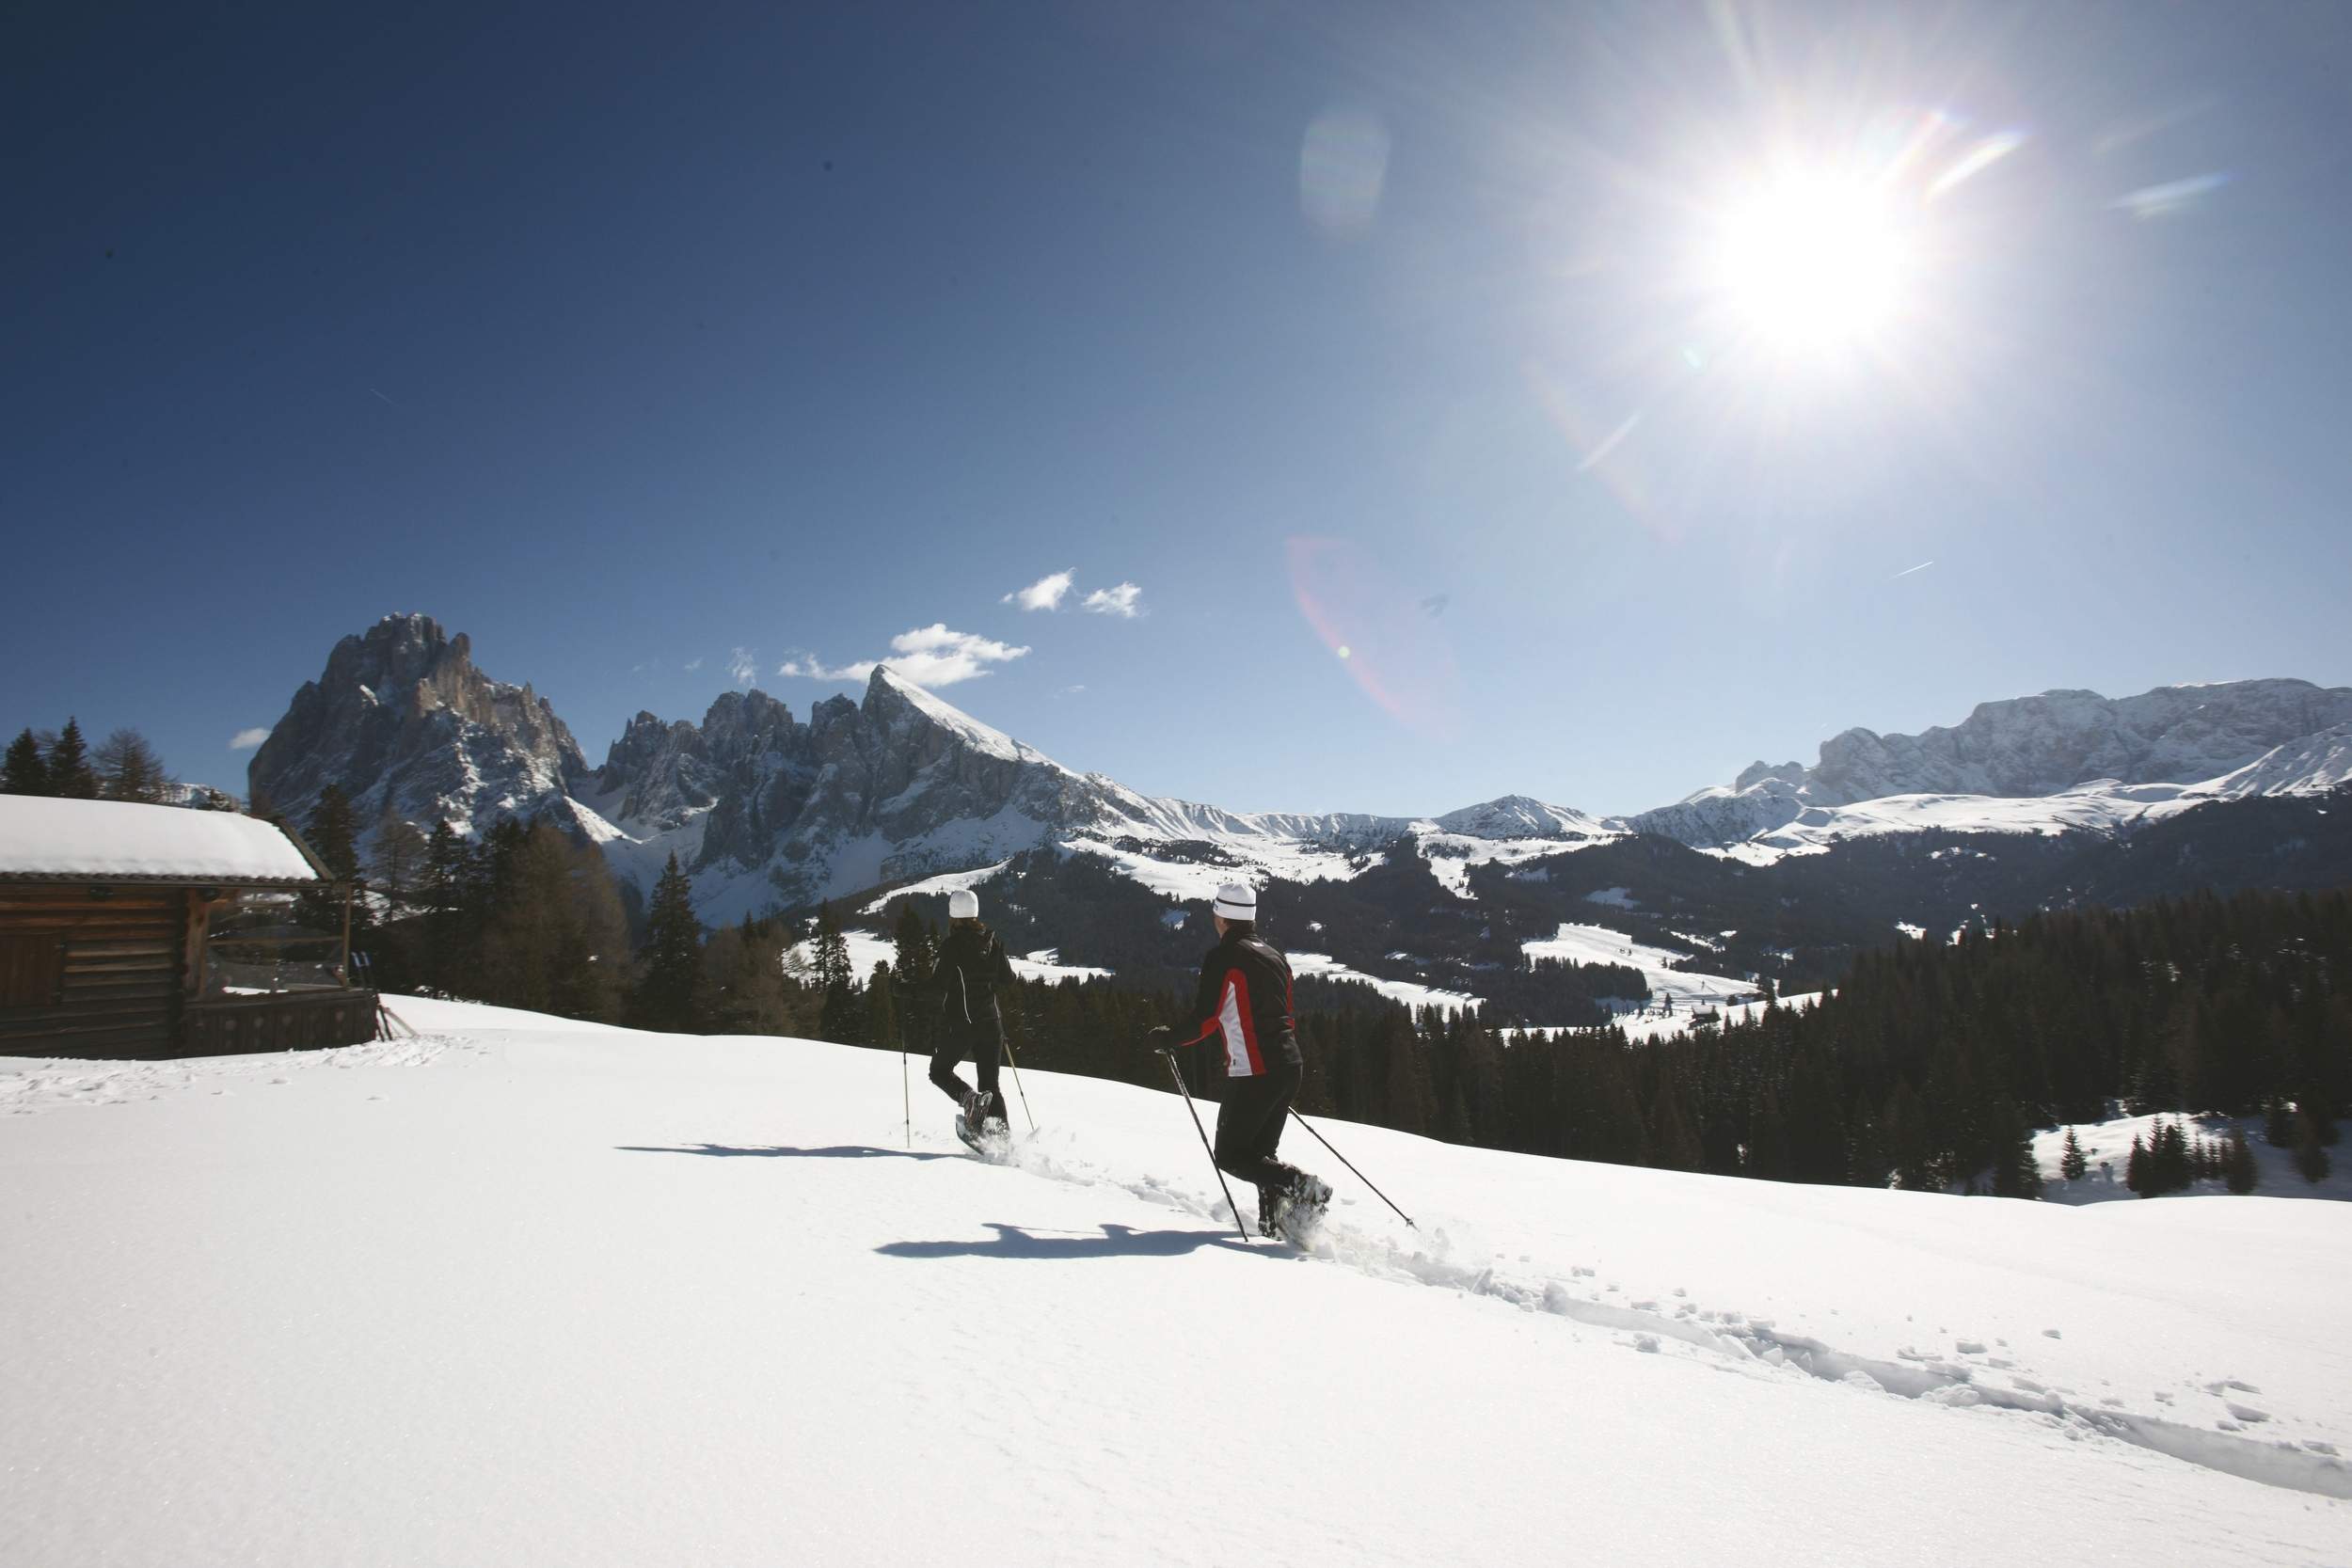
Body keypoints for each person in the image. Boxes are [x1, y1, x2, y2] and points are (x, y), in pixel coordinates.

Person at [1149, 881, 1331, 1239]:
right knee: (1261, 1153)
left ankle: (1305, 1188)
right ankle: (1272, 1227)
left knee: (1231, 1156)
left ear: (1220, 916)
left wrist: (1168, 1039)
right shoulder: (1275, 956)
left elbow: (1206, 1018)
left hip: (1255, 1069)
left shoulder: (1224, 957)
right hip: (1288, 1064)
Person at [922, 888, 1019, 1146]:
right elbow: (1008, 979)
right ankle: (1003, 1143)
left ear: (953, 915)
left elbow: (935, 987)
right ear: (976, 913)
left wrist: (901, 989)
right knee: (991, 1085)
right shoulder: (992, 942)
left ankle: (969, 1099)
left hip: (962, 1024)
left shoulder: (952, 947)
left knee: (939, 1071)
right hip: (991, 1024)